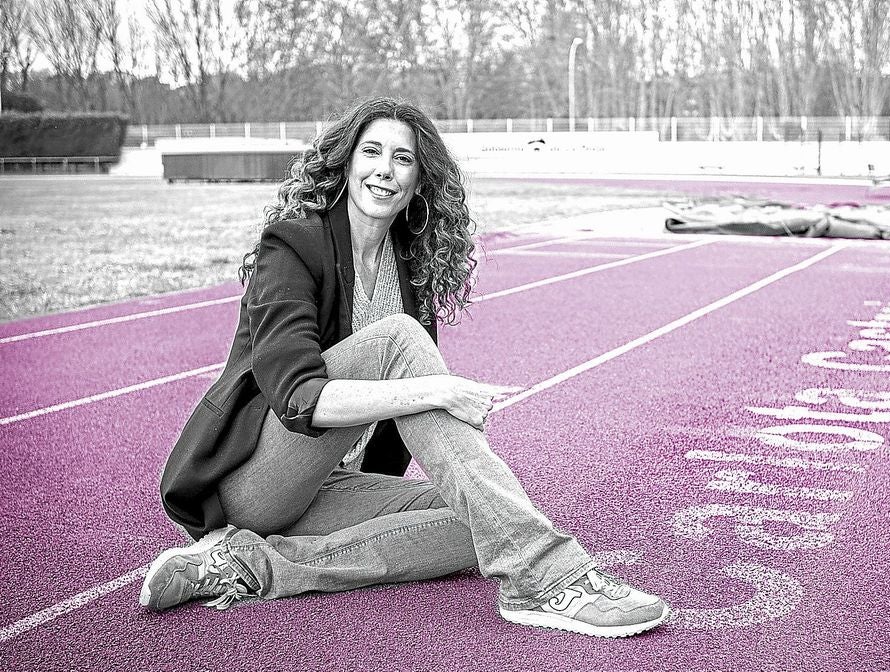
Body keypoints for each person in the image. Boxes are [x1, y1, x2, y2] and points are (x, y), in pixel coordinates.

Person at [140, 97, 670, 638]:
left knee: (485, 519)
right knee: (400, 342)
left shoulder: (409, 271)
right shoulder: (295, 245)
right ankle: (546, 576)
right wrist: (434, 390)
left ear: (419, 182)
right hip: (256, 478)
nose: (384, 170)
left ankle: (244, 565)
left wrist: (428, 398)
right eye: (371, 152)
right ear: (346, 164)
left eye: (403, 159)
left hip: (333, 483)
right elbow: (301, 399)